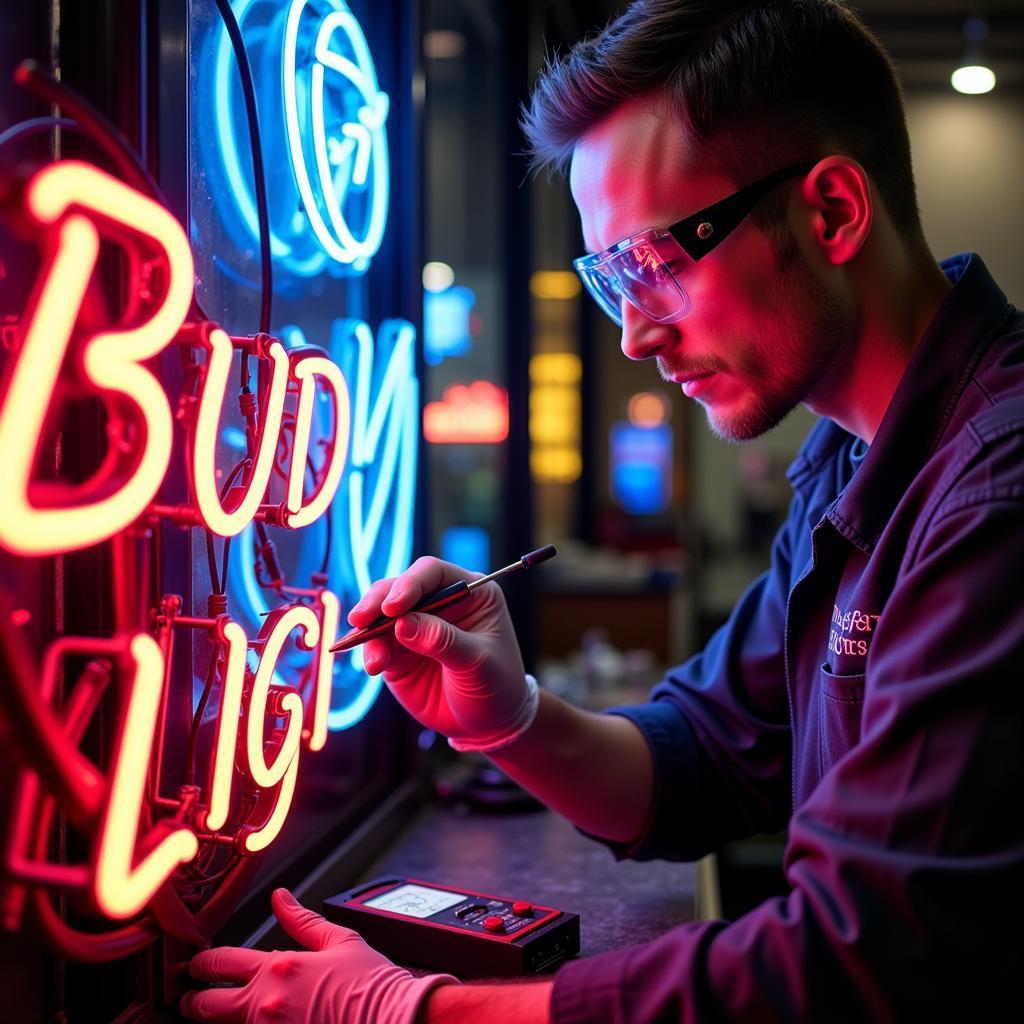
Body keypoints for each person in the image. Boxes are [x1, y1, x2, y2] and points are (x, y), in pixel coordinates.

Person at [181, 0, 1024, 1020]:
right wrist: (509, 717)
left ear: (833, 212)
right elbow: (705, 758)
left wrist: (409, 1008)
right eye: (607, 276)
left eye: (656, 263)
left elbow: (864, 958)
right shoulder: (856, 459)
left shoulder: (993, 489)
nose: (633, 335)